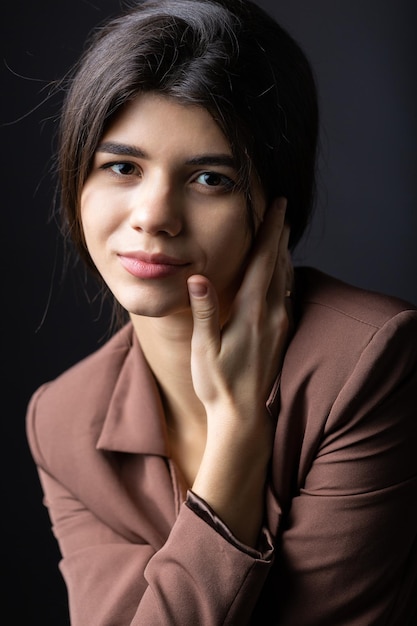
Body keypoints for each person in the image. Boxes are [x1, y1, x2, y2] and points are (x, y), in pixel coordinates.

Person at [25, 0, 417, 624]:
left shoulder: (368, 362)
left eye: (211, 179)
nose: (154, 216)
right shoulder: (63, 421)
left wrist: (237, 427)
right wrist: (237, 437)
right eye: (122, 167)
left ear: (276, 206)